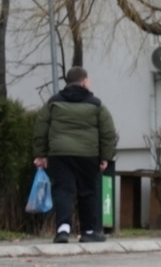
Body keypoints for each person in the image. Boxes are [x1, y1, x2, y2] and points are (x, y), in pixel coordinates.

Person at [33, 66, 118, 243]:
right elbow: (108, 132)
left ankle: (63, 230)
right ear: (85, 81)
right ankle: (88, 232)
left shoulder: (54, 102)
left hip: (60, 153)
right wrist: (105, 157)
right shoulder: (96, 105)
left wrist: (41, 154)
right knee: (88, 192)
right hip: (88, 155)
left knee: (63, 191)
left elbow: (41, 127)